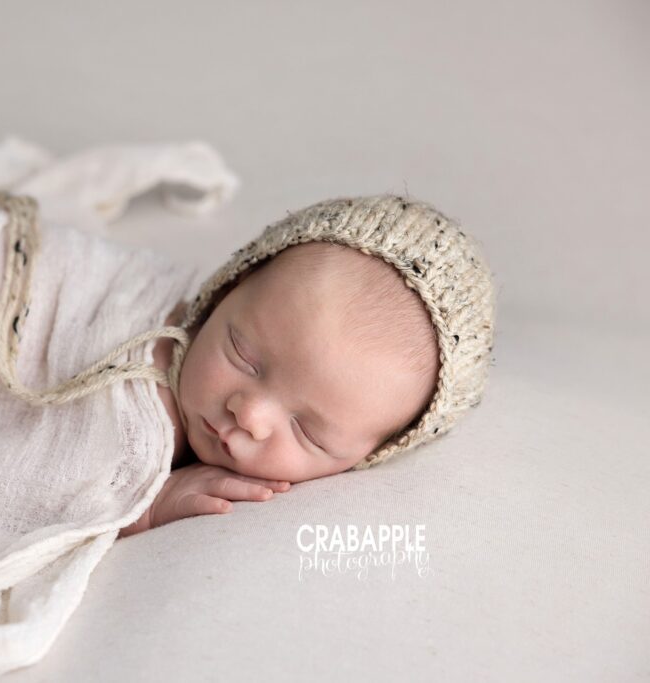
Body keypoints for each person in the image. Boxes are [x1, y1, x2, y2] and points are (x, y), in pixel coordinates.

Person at [117, 194, 496, 536]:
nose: (250, 415)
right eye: (243, 356)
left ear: (378, 451)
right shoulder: (141, 368)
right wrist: (140, 506)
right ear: (227, 289)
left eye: (308, 433)